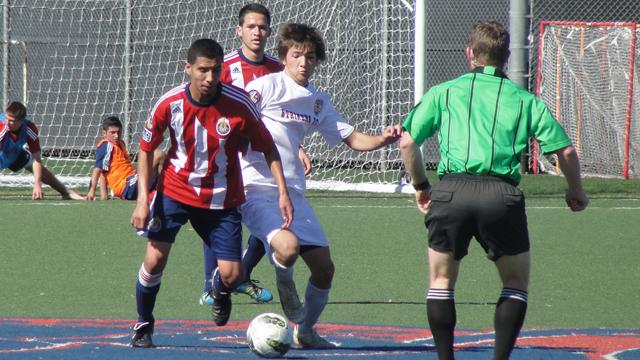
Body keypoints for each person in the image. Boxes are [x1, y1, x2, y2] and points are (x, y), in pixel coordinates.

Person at [398, 21, 589, 360]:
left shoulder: (444, 92)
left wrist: (421, 185)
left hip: (452, 192)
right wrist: (576, 191)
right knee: (514, 283)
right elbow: (567, 153)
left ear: (469, 54)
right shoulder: (524, 99)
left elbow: (409, 141)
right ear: (507, 57)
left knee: (441, 282)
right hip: (501, 196)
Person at [241, 22, 401, 349]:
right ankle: (285, 285)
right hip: (257, 188)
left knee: (325, 270)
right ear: (284, 56)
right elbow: (239, 124)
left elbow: (352, 138)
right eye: (297, 55)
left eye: (311, 57)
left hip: (294, 194)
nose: (304, 62)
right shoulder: (265, 86)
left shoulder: (317, 100)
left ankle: (307, 331)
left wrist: (384, 139)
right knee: (286, 248)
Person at [128, 38, 293, 348]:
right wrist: (142, 203)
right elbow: (146, 149)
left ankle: (218, 290)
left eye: (216, 71)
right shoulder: (169, 103)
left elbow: (268, 147)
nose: (209, 78)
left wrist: (282, 192)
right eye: (202, 70)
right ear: (187, 68)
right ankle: (143, 323)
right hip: (174, 192)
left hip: (222, 199)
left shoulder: (239, 103)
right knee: (155, 260)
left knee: (232, 276)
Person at [198, 2, 312, 306]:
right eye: (251, 26)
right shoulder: (225, 68)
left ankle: (243, 274)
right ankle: (213, 282)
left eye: (262, 27)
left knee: (273, 216)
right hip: (229, 153)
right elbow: (209, 103)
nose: (257, 32)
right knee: (222, 213)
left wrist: (298, 148)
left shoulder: (279, 67)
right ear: (239, 30)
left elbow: (287, 113)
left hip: (266, 158)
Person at [0, 101, 85, 200]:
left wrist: (37, 185)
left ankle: (67, 193)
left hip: (13, 151)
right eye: (7, 118)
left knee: (37, 167)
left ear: (21, 121)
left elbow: (36, 158)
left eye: (12, 120)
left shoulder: (29, 129)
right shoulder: (2, 127)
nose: (7, 122)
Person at [86, 116, 165, 201]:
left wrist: (103, 195)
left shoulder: (121, 143)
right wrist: (91, 191)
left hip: (132, 181)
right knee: (158, 154)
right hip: (126, 187)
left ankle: (159, 192)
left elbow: (104, 171)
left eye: (118, 132)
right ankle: (162, 191)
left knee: (160, 158)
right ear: (104, 133)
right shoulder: (106, 145)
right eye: (112, 132)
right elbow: (97, 170)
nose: (116, 136)